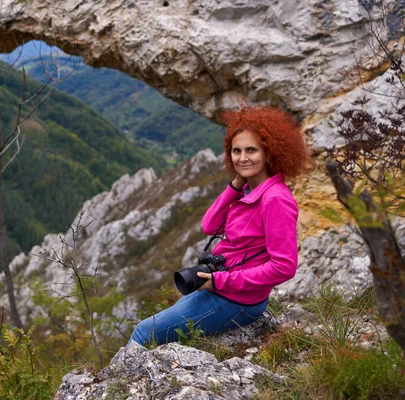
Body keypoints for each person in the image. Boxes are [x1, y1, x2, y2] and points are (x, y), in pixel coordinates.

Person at [129, 105, 311, 346]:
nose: (242, 158)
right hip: (222, 289)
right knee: (161, 331)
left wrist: (220, 281)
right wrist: (236, 184)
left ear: (270, 153)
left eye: (251, 150)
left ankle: (113, 384)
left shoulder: (275, 199)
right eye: (236, 151)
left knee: (144, 332)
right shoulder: (249, 189)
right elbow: (209, 225)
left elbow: (284, 267)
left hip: (238, 299)